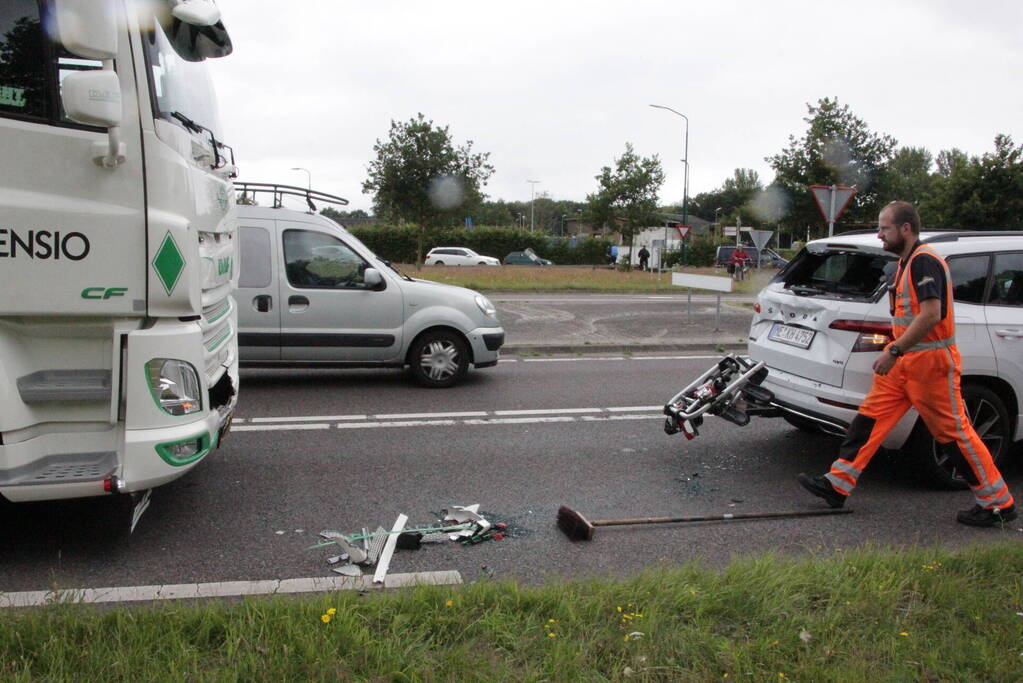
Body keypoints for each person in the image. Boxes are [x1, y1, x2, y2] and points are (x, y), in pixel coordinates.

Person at [797, 201, 1016, 527]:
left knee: (954, 436)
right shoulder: (906, 263)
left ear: (906, 229)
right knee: (869, 420)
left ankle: (997, 503)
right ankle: (838, 483)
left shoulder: (924, 262)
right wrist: (896, 352)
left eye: (885, 228)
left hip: (929, 365)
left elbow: (931, 315)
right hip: (906, 363)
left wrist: (894, 350)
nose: (880, 234)